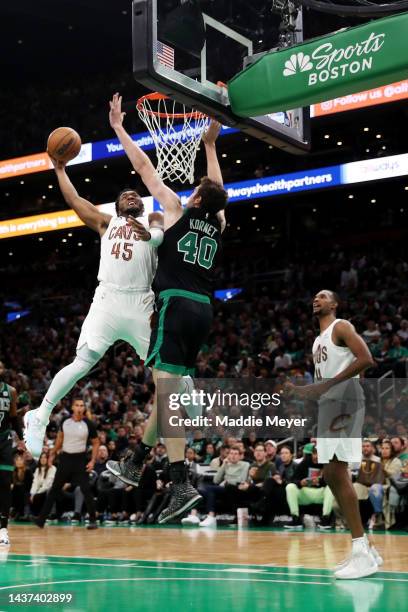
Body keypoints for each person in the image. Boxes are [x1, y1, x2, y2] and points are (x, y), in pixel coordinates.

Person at [106, 93, 227, 525]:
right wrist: (210, 145)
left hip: (174, 305)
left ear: (194, 199)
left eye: (195, 190)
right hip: (204, 311)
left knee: (166, 394)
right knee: (168, 390)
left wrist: (120, 128)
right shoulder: (218, 222)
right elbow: (218, 192)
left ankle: (179, 483)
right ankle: (136, 458)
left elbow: (144, 169)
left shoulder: (176, 211)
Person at [23, 151, 164, 459]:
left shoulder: (152, 217)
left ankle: (190, 401)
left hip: (141, 300)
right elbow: (75, 200)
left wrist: (150, 235)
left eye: (134, 194)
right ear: (116, 207)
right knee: (83, 361)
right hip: (108, 300)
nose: (130, 196)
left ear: (140, 204)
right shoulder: (106, 222)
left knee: (164, 367)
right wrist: (59, 169)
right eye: (124, 196)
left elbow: (158, 235)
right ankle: (40, 415)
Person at [287, 290, 381, 579]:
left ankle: (360, 549)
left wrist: (343, 393)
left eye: (323, 296)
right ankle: (366, 548)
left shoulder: (341, 326)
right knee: (330, 474)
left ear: (335, 304)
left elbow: (366, 359)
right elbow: (324, 382)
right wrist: (302, 391)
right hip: (333, 402)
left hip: (343, 401)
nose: (316, 299)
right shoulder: (318, 341)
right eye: (314, 296)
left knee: (336, 472)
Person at [35, 398, 100, 529]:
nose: (80, 408)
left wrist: (93, 460)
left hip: (80, 460)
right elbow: (59, 440)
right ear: (72, 408)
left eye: (82, 405)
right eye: (77, 405)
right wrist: (52, 453)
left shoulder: (89, 424)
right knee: (54, 489)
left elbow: (96, 442)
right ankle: (41, 520)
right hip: (65, 459)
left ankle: (93, 520)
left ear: (84, 409)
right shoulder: (65, 421)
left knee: (86, 489)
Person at [0, 361, 24, 547]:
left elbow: (14, 418)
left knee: (6, 483)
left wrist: (22, 439)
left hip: (4, 440)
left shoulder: (11, 391)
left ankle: (3, 529)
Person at [30, 451, 57, 517]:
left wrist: (37, 493)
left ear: (48, 459)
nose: (43, 459)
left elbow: (47, 485)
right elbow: (35, 483)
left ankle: (52, 514)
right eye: (41, 458)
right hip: (40, 492)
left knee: (50, 490)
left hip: (47, 491)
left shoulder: (52, 468)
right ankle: (27, 513)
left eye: (45, 457)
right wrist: (32, 494)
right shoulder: (37, 469)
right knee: (29, 494)